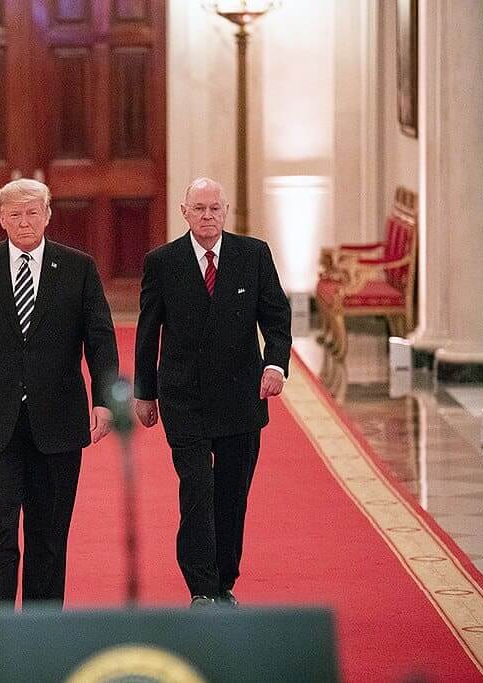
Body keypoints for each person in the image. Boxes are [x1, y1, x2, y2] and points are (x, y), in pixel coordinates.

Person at [0, 178, 118, 606]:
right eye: (14, 213)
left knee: (49, 529)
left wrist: (105, 400)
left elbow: (101, 339)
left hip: (59, 418)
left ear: (48, 214)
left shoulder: (78, 267)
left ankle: (42, 625)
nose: (24, 221)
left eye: (33, 212)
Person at [133, 177, 291, 608]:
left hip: (241, 396)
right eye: (199, 209)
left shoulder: (252, 255)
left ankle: (225, 581)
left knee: (231, 493)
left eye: (215, 208)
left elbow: (277, 316)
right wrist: (145, 392)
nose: (207, 216)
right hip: (185, 396)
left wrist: (275, 364)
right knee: (196, 490)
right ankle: (201, 587)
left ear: (226, 211)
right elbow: (148, 330)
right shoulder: (162, 262)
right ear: (184, 213)